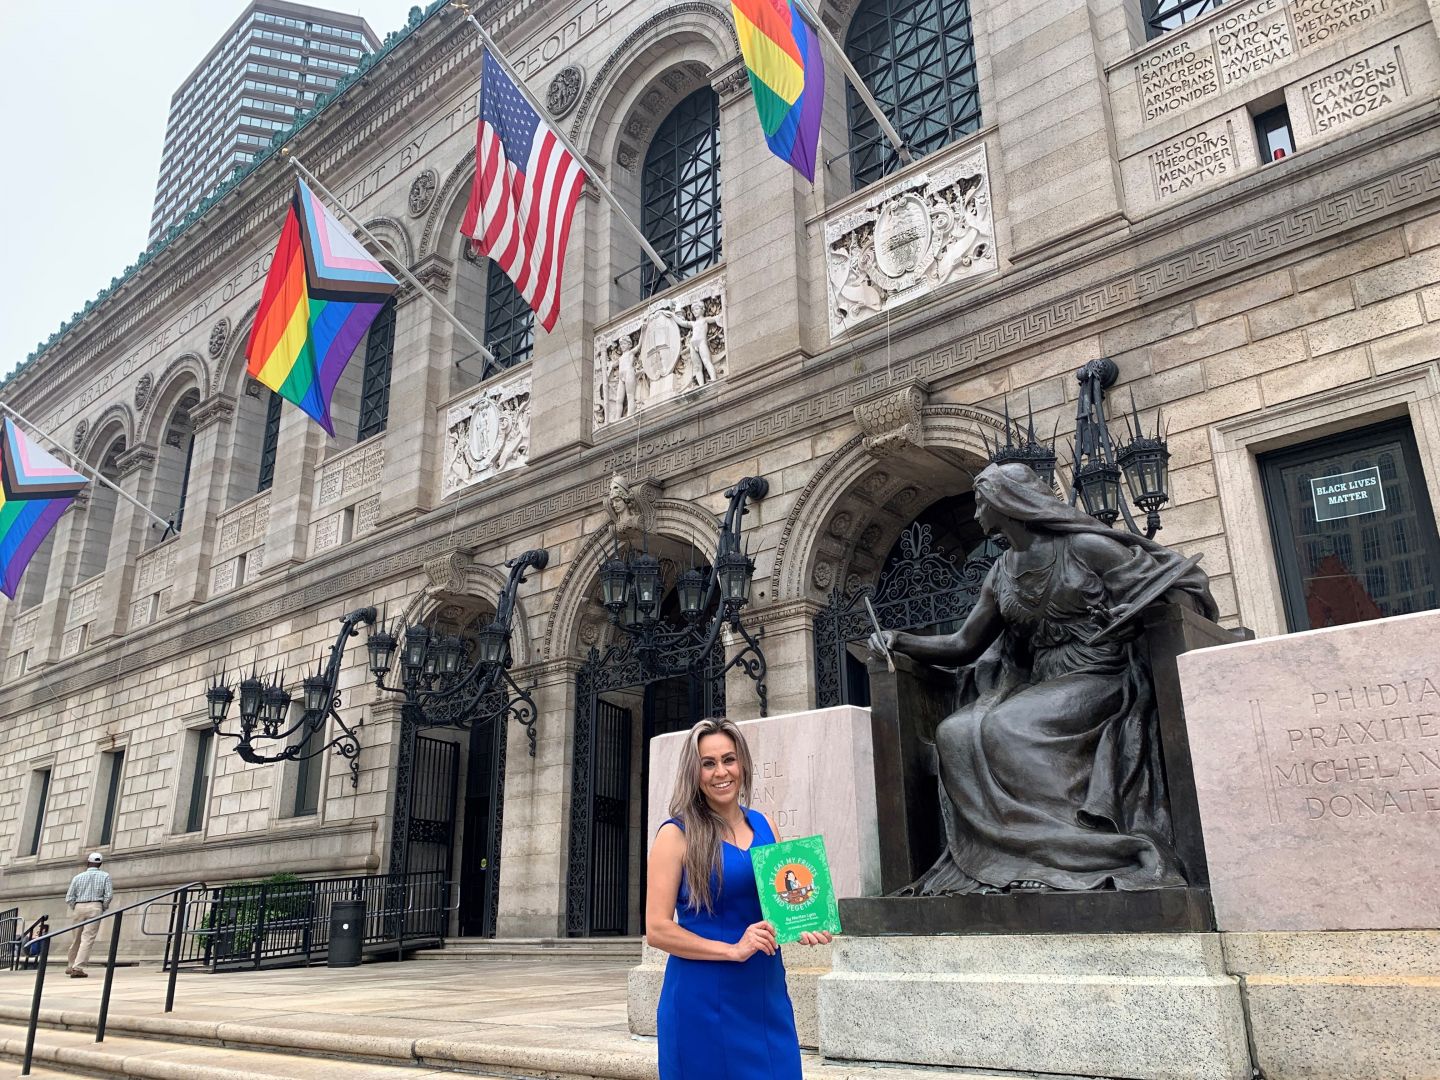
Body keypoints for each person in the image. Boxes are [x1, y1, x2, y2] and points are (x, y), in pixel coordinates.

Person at [870, 462, 1217, 895]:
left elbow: (1180, 590)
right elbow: (964, 644)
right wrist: (901, 639)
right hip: (1040, 682)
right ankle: (1004, 856)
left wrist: (1135, 616)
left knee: (1007, 726)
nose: (976, 513)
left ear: (1006, 503)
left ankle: (1071, 852)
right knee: (953, 732)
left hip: (1100, 674)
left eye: (981, 503)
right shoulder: (1001, 572)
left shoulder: (1087, 547)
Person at [646, 718, 832, 1080]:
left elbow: (778, 904)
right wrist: (732, 949)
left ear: (742, 764)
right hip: (703, 998)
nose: (721, 772)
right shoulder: (676, 834)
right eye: (708, 763)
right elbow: (657, 929)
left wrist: (803, 924)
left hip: (764, 995)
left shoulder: (765, 825)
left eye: (728, 759)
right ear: (694, 772)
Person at [64, 852, 113, 977]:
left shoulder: (78, 877)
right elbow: (108, 895)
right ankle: (78, 967)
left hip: (79, 906)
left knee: (76, 938)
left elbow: (69, 897)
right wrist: (102, 907)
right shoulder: (105, 876)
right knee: (87, 938)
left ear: (88, 862)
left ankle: (71, 964)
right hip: (95, 906)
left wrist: (75, 907)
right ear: (100, 864)